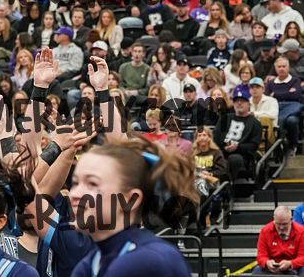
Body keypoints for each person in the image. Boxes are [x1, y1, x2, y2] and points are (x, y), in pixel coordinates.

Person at [69, 136, 197, 277]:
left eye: (92, 184)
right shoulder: (92, 262)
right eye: (75, 183)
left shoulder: (145, 261)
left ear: (130, 200)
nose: (74, 194)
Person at [213, 85, 262, 180]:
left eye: (242, 101)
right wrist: (224, 147)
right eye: (236, 101)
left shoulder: (255, 123)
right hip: (221, 152)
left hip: (242, 155)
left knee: (234, 159)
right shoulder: (225, 118)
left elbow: (254, 145)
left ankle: (228, 184)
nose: (239, 103)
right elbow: (216, 137)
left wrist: (237, 147)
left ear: (248, 104)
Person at [255, 206, 304, 274]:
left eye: (285, 224)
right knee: (257, 271)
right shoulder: (265, 231)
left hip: (294, 267)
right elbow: (261, 256)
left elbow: (302, 257)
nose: (281, 227)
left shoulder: (301, 231)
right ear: (274, 219)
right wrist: (267, 262)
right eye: (278, 223)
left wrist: (290, 263)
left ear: (291, 220)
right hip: (272, 267)